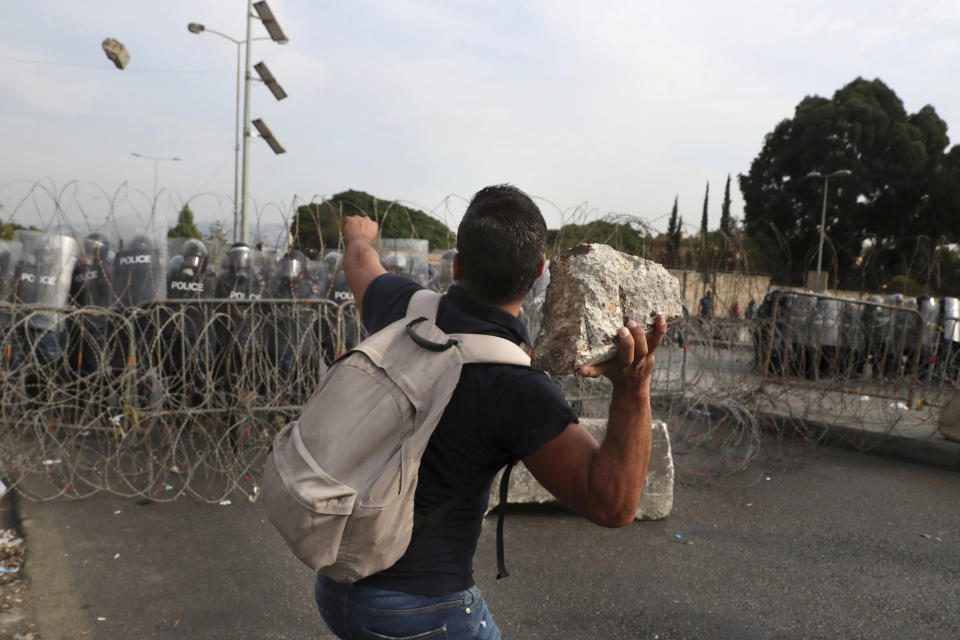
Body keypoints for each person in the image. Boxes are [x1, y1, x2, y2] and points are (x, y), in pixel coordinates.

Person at [313, 184, 666, 639]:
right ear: (538, 272)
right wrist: (633, 386)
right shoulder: (517, 387)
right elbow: (614, 504)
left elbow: (362, 264)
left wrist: (361, 234)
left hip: (336, 587)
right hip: (423, 612)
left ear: (456, 264)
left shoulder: (404, 310)